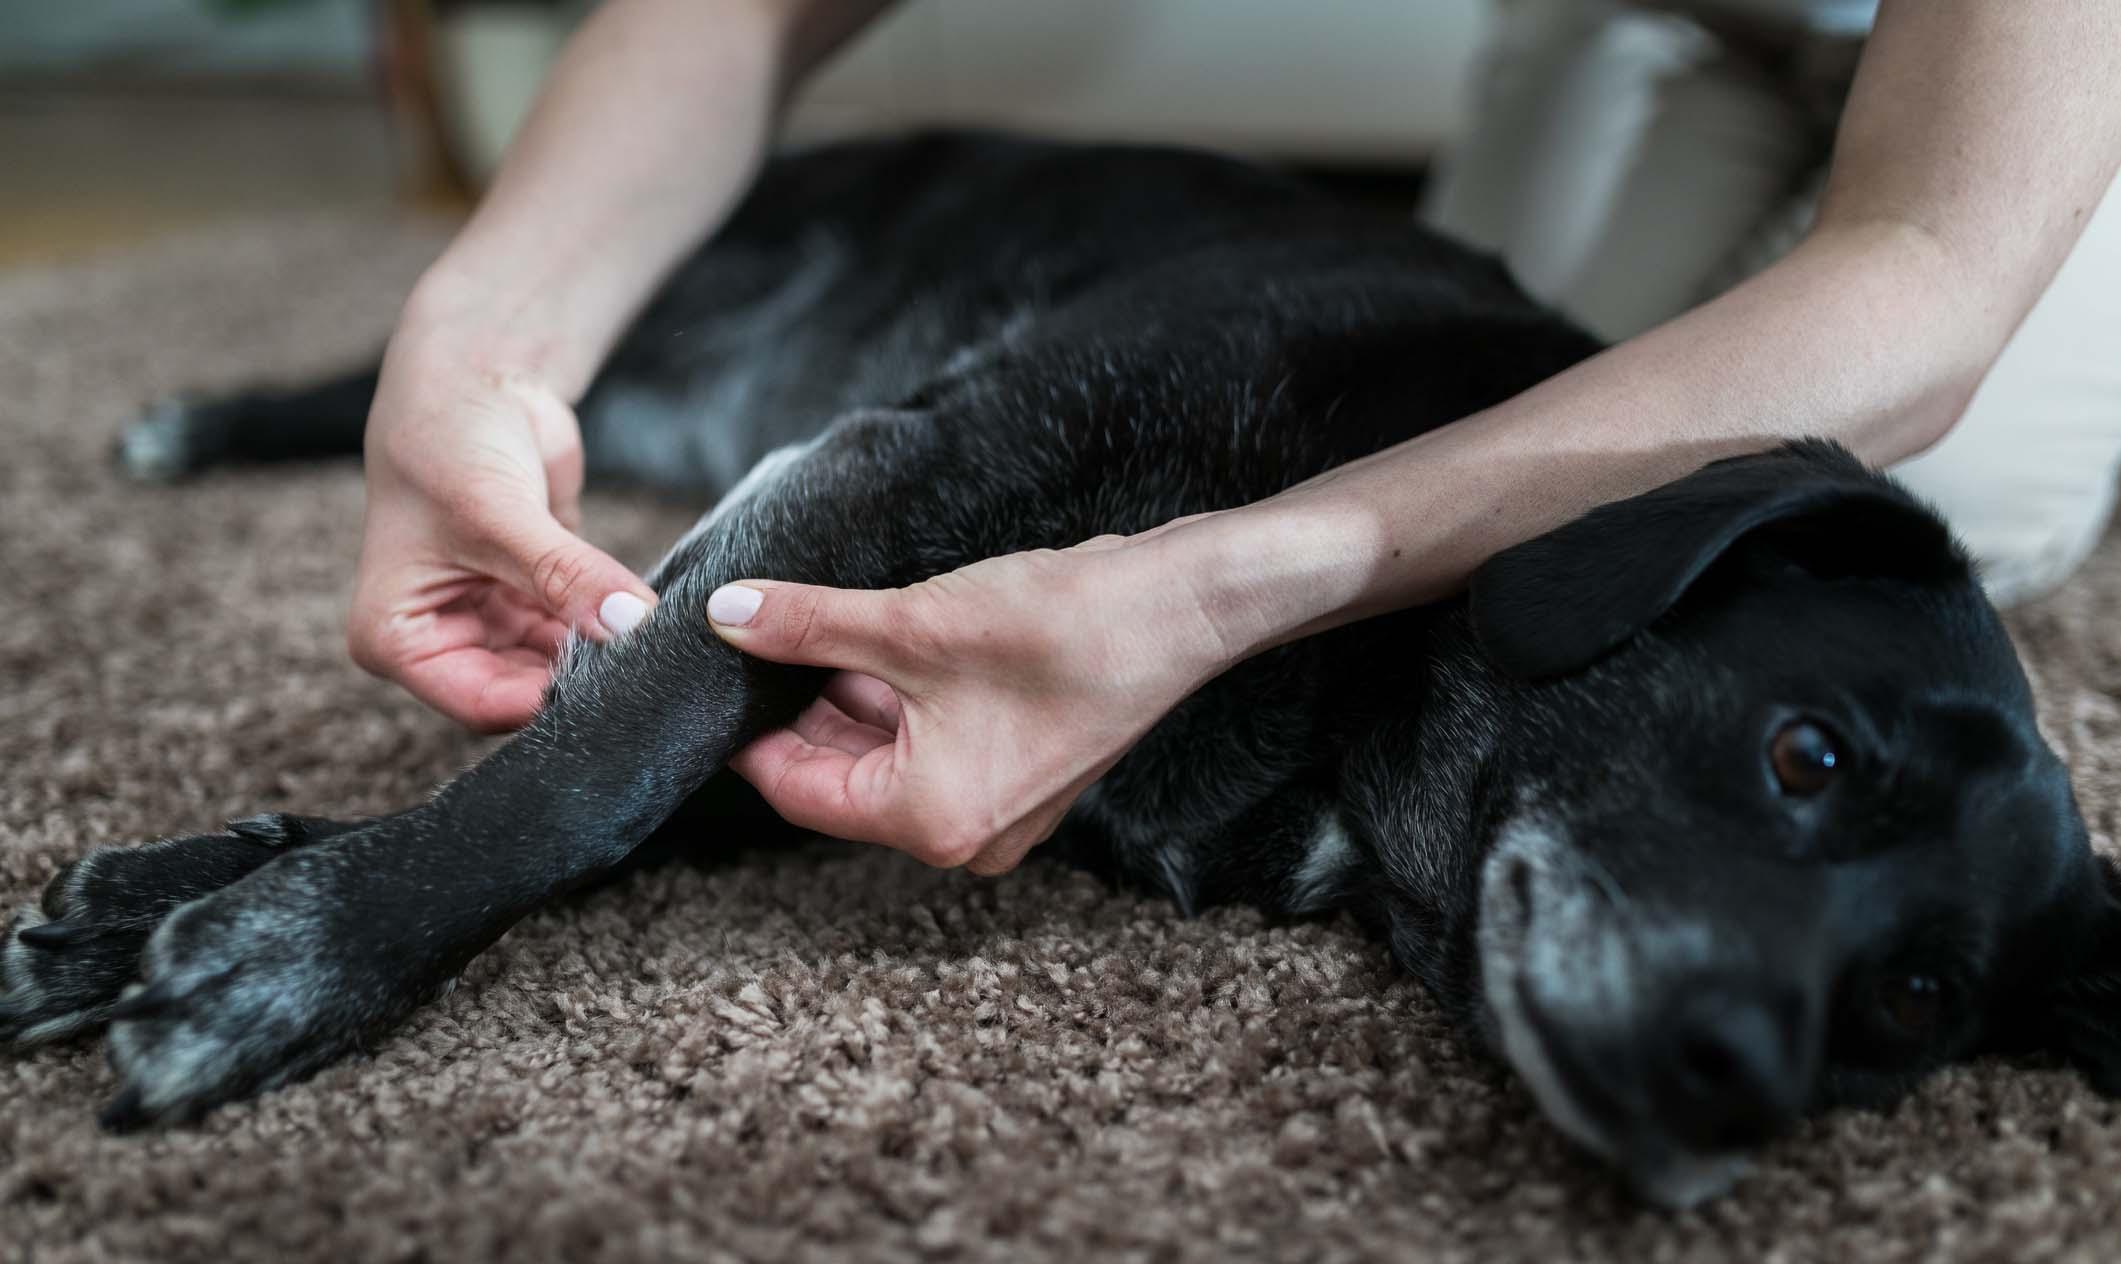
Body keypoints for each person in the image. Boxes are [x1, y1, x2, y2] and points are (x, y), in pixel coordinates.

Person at [356, 0, 2121, 875]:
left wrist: (1219, 588)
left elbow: (1924, 273)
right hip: (1674, 25)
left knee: (1888, 498)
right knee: (1483, 377)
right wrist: (481, 338)